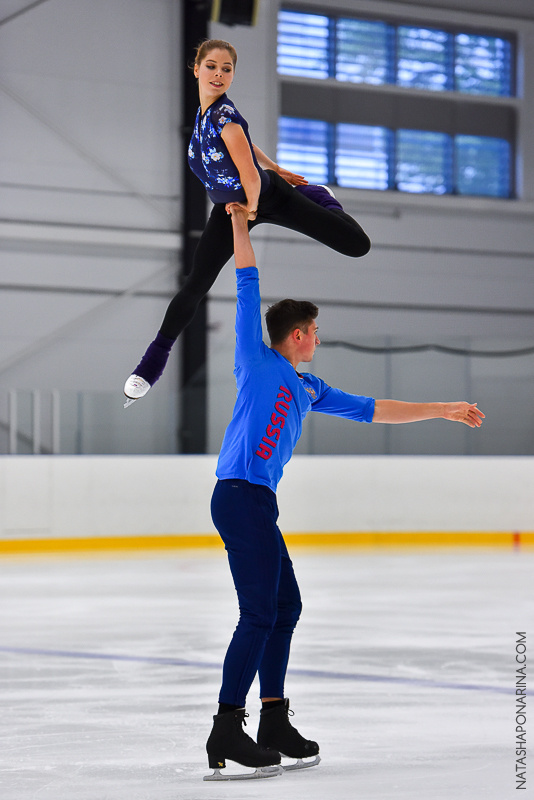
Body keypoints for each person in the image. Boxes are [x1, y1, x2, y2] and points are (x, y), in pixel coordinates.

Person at [203, 203, 485, 781]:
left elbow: (374, 409)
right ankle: (226, 727)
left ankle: (272, 719)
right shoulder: (255, 362)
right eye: (316, 333)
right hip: (237, 494)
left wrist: (444, 410)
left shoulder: (308, 385)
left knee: (286, 607)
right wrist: (238, 224)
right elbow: (246, 286)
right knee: (259, 613)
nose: (320, 340)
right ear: (299, 334)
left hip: (258, 502)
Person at [123, 38, 371, 405]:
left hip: (265, 198)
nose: (219, 74)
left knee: (356, 245)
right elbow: (246, 152)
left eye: (227, 69)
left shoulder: (225, 117)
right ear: (196, 68)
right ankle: (150, 364)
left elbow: (249, 176)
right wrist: (274, 165)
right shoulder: (203, 114)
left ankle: (321, 198)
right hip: (232, 207)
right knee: (195, 284)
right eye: (212, 66)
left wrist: (251, 206)